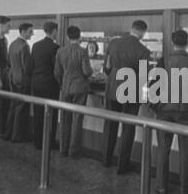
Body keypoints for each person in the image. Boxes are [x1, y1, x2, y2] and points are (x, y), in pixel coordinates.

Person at [152, 29, 188, 194]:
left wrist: (155, 107)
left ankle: (161, 186)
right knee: (185, 152)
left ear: (172, 42)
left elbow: (154, 87)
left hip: (164, 111)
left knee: (163, 150)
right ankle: (185, 189)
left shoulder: (163, 61)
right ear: (187, 43)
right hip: (185, 112)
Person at [102, 20, 150, 173]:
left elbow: (107, 67)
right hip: (131, 89)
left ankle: (106, 160)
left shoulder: (113, 43)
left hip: (112, 87)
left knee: (110, 125)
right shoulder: (143, 50)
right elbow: (143, 76)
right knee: (128, 128)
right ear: (142, 32)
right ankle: (122, 165)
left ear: (131, 29)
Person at [54, 26, 93, 158]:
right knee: (77, 120)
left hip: (65, 87)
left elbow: (57, 72)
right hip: (80, 88)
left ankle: (63, 149)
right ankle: (73, 151)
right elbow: (87, 71)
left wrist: (62, 83)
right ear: (79, 36)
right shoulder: (83, 51)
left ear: (67, 37)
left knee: (65, 118)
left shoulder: (61, 51)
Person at [31, 22, 60, 150]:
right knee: (51, 114)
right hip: (50, 83)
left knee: (38, 113)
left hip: (36, 82)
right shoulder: (56, 47)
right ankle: (49, 142)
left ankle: (37, 142)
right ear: (54, 31)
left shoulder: (36, 46)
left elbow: (31, 65)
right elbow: (57, 69)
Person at [4, 23, 34, 142]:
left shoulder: (12, 44)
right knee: (21, 109)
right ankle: (17, 136)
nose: (32, 34)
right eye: (30, 31)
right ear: (23, 31)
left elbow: (9, 63)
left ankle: (7, 134)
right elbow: (28, 67)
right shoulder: (24, 46)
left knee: (13, 107)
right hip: (23, 80)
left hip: (13, 79)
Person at [0, 16, 12, 135]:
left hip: (5, 74)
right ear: (1, 25)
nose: (9, 29)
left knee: (5, 102)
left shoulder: (4, 40)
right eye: (8, 26)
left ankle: (4, 129)